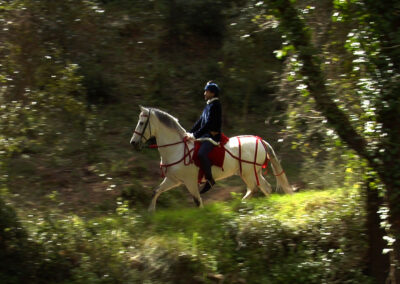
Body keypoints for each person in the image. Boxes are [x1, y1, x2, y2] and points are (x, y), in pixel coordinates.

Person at [187, 81, 222, 194]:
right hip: (204, 135)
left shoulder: (216, 105)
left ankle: (210, 179)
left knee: (201, 154)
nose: (204, 93)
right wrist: (189, 133)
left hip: (212, 136)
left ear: (212, 93)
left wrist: (195, 135)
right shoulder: (209, 104)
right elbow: (200, 121)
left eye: (206, 91)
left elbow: (208, 125)